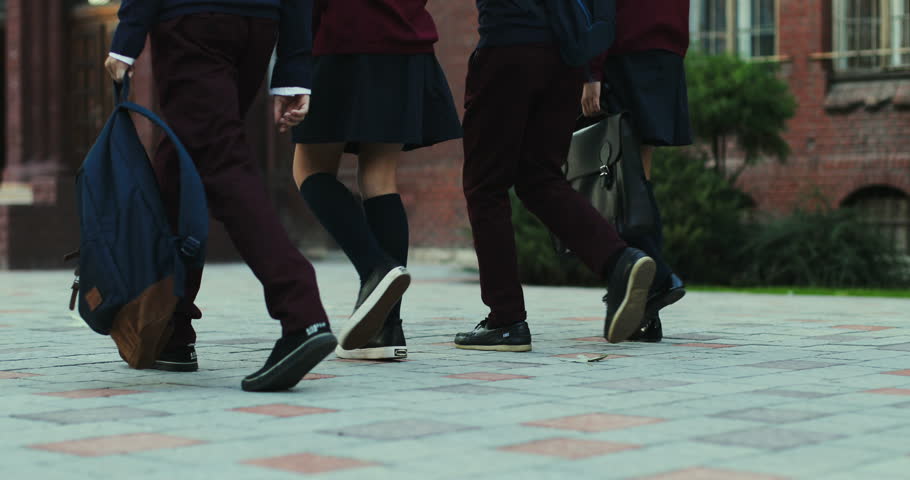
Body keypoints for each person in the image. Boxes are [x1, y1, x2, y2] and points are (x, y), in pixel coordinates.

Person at [105, 0, 342, 392]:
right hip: (258, 25)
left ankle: (302, 313)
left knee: (221, 160)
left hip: (194, 22)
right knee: (180, 164)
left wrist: (127, 36)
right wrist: (293, 72)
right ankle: (170, 329)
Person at [454, 0, 657, 352]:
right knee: (539, 179)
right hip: (565, 57)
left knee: (485, 185)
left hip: (509, 45)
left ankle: (506, 319)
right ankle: (620, 259)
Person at [292, 0, 462, 360]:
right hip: (405, 40)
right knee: (380, 176)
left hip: (344, 38)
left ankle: (374, 267)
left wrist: (295, 52)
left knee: (309, 170)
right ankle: (387, 330)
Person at [581, 0, 692, 342]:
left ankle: (657, 279)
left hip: (626, 46)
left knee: (619, 179)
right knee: (638, 176)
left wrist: (591, 71)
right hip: (665, 50)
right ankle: (645, 314)